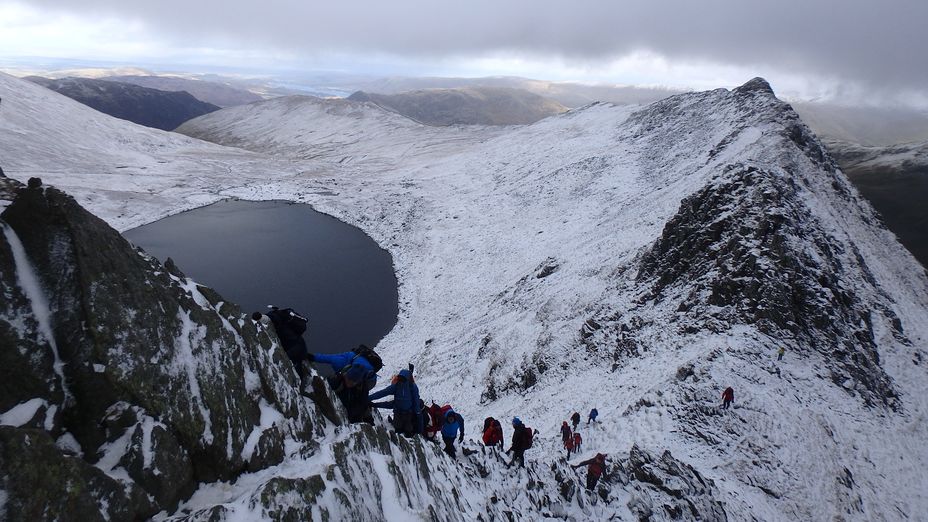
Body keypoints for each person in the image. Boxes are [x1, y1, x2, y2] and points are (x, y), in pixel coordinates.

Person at [309, 346, 380, 423]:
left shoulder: (366, 379)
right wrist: (311, 357)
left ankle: (358, 411)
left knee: (358, 396)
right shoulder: (340, 362)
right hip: (351, 372)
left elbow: (363, 399)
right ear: (345, 374)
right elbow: (326, 358)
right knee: (343, 387)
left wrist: (367, 418)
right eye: (349, 380)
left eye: (353, 382)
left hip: (370, 381)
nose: (350, 383)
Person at [253, 307, 309, 388]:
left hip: (295, 348)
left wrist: (285, 357)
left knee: (296, 367)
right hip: (296, 345)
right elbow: (267, 319)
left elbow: (267, 320)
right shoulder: (278, 318)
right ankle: (299, 385)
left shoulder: (280, 325)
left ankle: (299, 386)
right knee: (298, 365)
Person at [368, 368, 421, 437]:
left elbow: (382, 393)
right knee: (407, 431)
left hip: (399, 412)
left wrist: (369, 398)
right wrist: (417, 412)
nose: (401, 381)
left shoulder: (398, 386)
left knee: (399, 430)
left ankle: (400, 441)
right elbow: (416, 401)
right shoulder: (412, 387)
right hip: (407, 413)